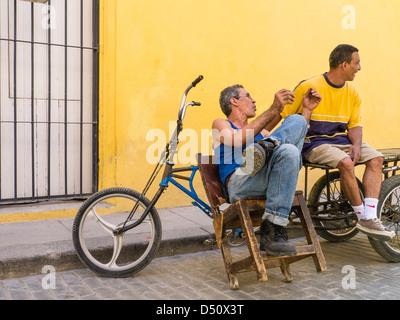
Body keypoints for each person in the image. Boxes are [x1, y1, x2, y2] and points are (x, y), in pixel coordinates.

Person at [267, 44, 394, 241]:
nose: (359, 67)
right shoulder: (308, 86)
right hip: (314, 144)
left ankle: (370, 215)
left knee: (377, 159)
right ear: (344, 65)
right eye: (356, 63)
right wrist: (260, 136)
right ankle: (363, 218)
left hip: (340, 141)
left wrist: (357, 144)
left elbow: (355, 125)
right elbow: (282, 115)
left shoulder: (353, 92)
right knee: (345, 162)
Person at [212, 85, 322, 256]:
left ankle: (272, 230)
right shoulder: (221, 124)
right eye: (248, 96)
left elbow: (296, 137)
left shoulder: (262, 133)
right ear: (234, 101)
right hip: (240, 182)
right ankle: (264, 149)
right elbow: (237, 140)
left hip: (266, 180)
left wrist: (306, 110)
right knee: (284, 148)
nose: (253, 100)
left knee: (295, 132)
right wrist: (273, 110)